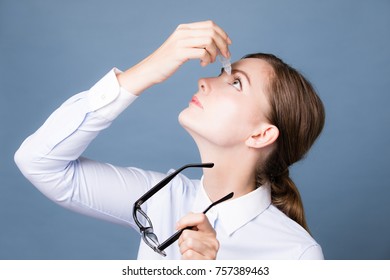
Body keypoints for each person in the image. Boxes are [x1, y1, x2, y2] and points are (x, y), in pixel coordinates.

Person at [15, 20, 325, 260]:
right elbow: (39, 162)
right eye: (219, 74)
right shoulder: (160, 199)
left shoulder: (297, 254)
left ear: (261, 134)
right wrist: (149, 69)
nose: (203, 81)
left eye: (236, 83)